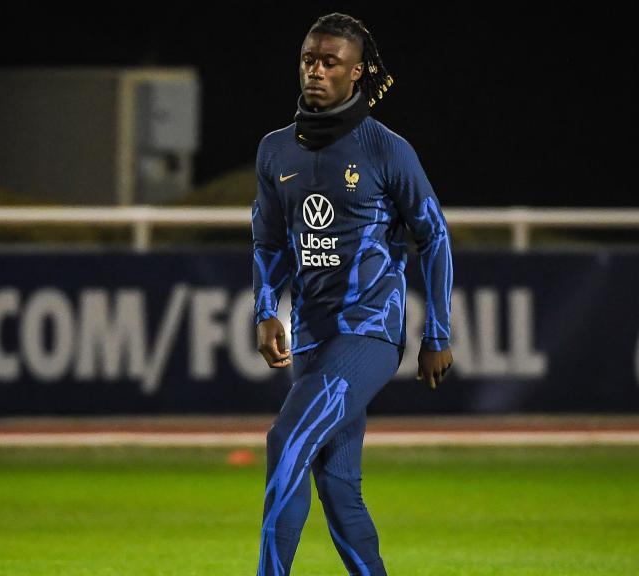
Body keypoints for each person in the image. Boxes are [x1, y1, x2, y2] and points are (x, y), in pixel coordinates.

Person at [251, 12, 454, 575]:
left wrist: (437, 331)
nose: (315, 70)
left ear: (357, 72)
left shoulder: (386, 149)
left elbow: (433, 234)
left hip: (370, 330)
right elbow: (268, 236)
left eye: (329, 62)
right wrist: (267, 309)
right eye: (308, 60)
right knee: (338, 487)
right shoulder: (275, 151)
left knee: (286, 440)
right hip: (314, 333)